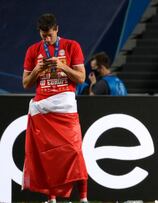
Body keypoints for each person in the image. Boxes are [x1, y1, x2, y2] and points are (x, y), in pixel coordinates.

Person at [22, 13, 88, 203]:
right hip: (42, 110)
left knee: (76, 152)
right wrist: (37, 70)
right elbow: (26, 83)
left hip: (65, 108)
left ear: (57, 29)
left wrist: (62, 66)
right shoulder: (33, 50)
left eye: (49, 35)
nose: (47, 39)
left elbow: (81, 78)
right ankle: (51, 200)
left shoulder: (71, 46)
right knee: (46, 157)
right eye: (43, 36)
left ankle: (83, 198)